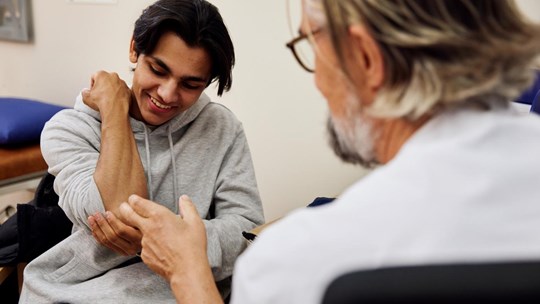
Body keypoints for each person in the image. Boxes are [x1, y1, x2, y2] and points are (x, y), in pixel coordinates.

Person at [114, 0, 540, 303]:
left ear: (365, 58)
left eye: (312, 47)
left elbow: (244, 222)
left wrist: (188, 273)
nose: (318, 80)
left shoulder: (294, 260)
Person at [19, 0, 264, 303]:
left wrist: (176, 240)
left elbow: (249, 231)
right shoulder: (69, 129)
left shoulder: (222, 128)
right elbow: (119, 212)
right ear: (135, 49)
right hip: (77, 292)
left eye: (190, 84)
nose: (167, 94)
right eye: (158, 69)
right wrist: (114, 111)